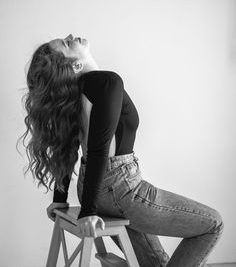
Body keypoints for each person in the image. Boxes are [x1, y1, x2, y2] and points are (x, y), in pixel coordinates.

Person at [20, 34, 224, 267]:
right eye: (67, 43)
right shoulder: (107, 82)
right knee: (213, 224)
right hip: (121, 190)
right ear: (76, 65)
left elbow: (67, 147)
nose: (70, 36)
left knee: (157, 264)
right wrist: (88, 212)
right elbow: (99, 149)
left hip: (94, 188)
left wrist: (60, 199)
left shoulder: (78, 92)